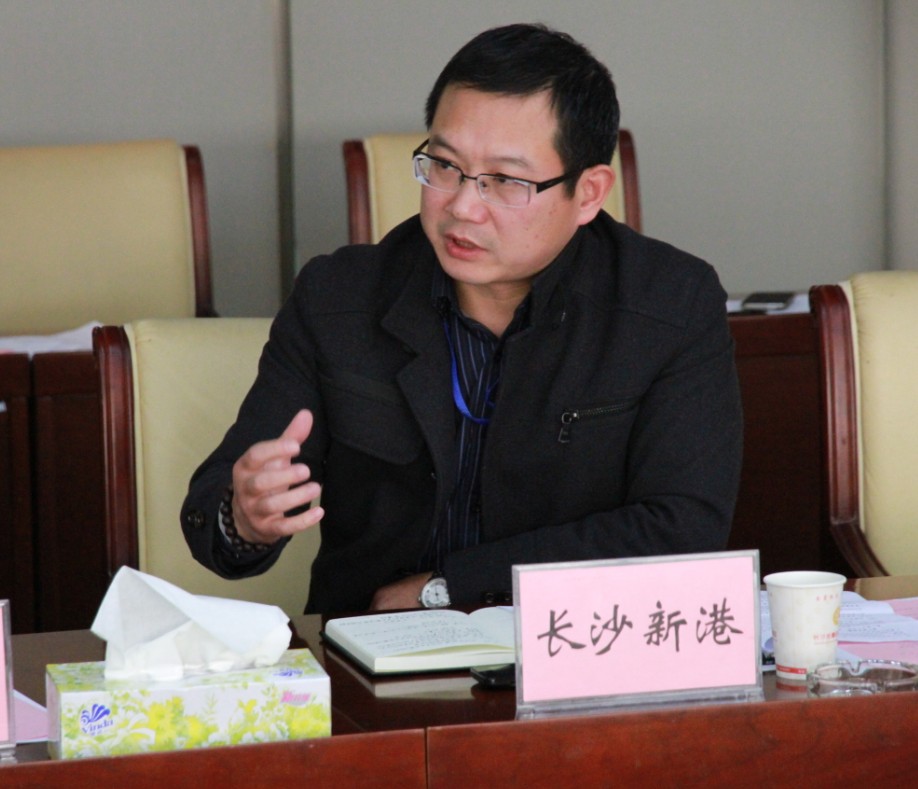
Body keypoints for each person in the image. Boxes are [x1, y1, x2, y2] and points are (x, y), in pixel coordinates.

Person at [181, 23, 743, 614]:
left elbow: (683, 527)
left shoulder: (671, 305)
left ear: (588, 193)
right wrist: (244, 518)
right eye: (445, 166)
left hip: (574, 646)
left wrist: (448, 588)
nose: (463, 206)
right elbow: (216, 506)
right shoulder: (338, 298)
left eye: (505, 181)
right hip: (372, 650)